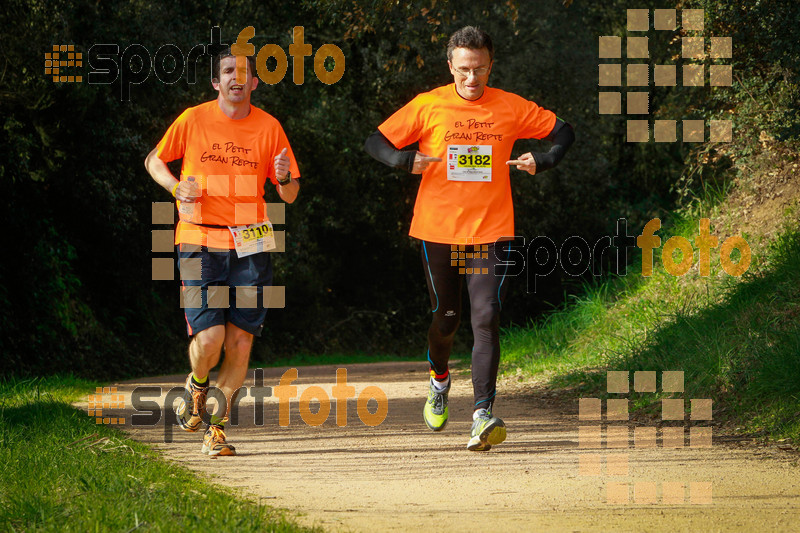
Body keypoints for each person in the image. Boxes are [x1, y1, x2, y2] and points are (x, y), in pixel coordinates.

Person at [364, 26, 574, 451]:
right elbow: (376, 141)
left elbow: (564, 131)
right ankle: (439, 378)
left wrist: (545, 158)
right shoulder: (429, 105)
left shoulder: (511, 108)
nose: (472, 79)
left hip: (492, 231)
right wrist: (405, 160)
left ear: (490, 66)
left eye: (479, 70)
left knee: (486, 315)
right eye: (463, 70)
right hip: (438, 229)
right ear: (450, 67)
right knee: (446, 318)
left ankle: (482, 413)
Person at [144, 48, 300, 456]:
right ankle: (197, 384)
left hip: (252, 244)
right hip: (198, 240)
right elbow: (153, 160)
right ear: (217, 82)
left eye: (244, 72)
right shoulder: (193, 119)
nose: (236, 77)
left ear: (254, 83)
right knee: (210, 339)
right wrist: (176, 187)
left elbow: (291, 192)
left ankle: (216, 428)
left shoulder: (270, 127)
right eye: (228, 71)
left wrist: (283, 178)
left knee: (241, 343)